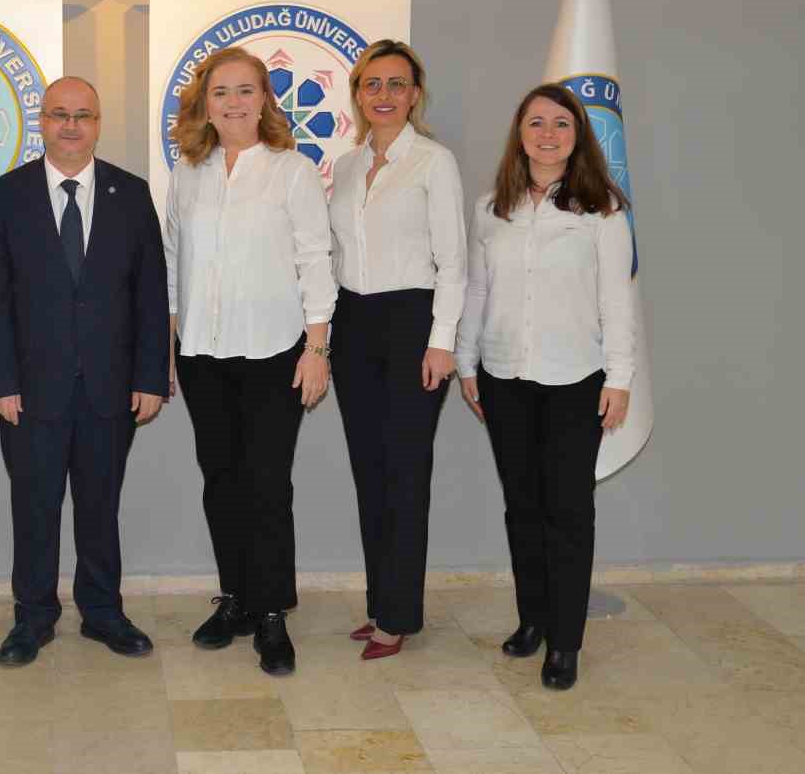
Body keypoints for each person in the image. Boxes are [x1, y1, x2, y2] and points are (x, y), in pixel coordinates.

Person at [0, 76, 169, 668]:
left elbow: (150, 294)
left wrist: (151, 377)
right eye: (59, 114)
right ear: (42, 121)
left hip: (111, 388)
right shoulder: (6, 195)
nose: (71, 126)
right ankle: (32, 617)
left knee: (99, 507)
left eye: (83, 115)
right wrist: (1, 380)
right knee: (34, 508)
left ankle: (103, 612)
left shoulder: (130, 194)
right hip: (30, 392)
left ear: (98, 123)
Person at [456, 83, 635, 692]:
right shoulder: (491, 208)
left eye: (561, 123)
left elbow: (617, 300)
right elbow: (477, 289)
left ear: (577, 135)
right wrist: (466, 361)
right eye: (536, 123)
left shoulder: (603, 210)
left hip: (575, 381)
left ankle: (565, 641)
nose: (548, 134)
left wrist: (620, 378)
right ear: (520, 133)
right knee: (523, 507)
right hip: (504, 377)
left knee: (568, 512)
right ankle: (532, 618)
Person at [166, 46, 336, 676]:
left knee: (266, 484)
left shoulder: (292, 171)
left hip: (275, 352)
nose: (233, 103)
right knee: (221, 480)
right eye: (221, 92)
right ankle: (236, 597)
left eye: (245, 91)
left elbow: (316, 260)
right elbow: (173, 262)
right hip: (202, 354)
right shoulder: (188, 174)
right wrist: (170, 345)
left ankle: (270, 613)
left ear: (265, 99)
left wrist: (317, 349)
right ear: (204, 104)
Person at [328, 40, 466, 660]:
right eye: (372, 84)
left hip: (413, 323)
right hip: (353, 322)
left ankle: (400, 613)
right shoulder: (347, 165)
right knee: (369, 470)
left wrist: (441, 342)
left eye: (396, 84)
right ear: (358, 94)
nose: (383, 95)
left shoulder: (434, 162)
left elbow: (453, 261)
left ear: (415, 95)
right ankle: (379, 603)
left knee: (405, 472)